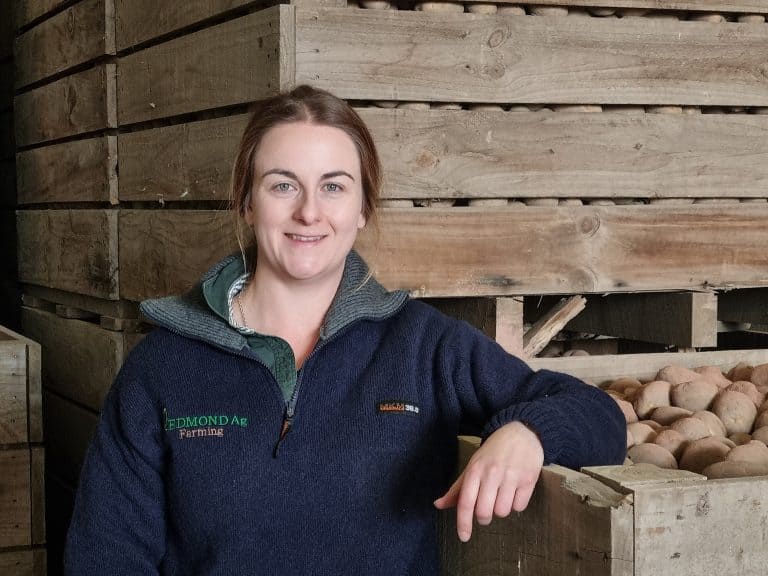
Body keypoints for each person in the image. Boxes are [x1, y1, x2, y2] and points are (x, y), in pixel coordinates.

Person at [64, 85, 626, 575]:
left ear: (362, 207)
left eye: (334, 186)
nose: (310, 212)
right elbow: (106, 556)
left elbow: (599, 417)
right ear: (246, 202)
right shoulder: (162, 368)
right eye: (283, 185)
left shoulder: (423, 347)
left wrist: (527, 432)